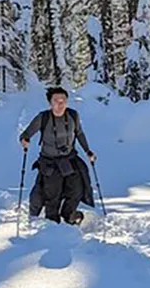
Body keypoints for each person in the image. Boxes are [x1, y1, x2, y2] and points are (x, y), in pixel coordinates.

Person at [19, 87, 97, 225]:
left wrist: (87, 151)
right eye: (56, 100)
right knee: (52, 195)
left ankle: (68, 215)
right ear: (50, 102)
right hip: (50, 163)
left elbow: (79, 133)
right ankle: (52, 223)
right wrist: (24, 140)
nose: (60, 103)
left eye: (63, 100)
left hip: (69, 159)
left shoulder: (73, 115)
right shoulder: (43, 118)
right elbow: (26, 134)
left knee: (77, 190)